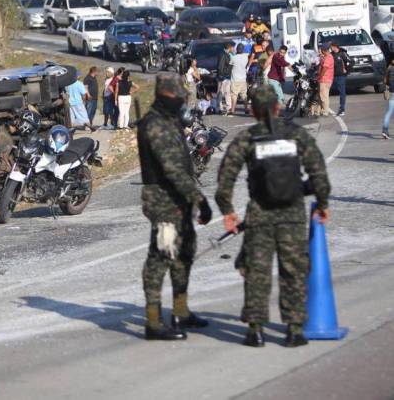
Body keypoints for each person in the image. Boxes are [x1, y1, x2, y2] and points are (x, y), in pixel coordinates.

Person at [215, 85, 331, 347]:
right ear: (278, 107)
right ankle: (294, 329)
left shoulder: (247, 139)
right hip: (292, 212)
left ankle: (255, 330)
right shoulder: (295, 134)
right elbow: (317, 170)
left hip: (259, 213)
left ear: (253, 110)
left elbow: (225, 178)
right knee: (293, 270)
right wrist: (322, 202)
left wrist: (228, 211)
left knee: (257, 271)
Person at [137, 73, 212, 340]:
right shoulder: (155, 125)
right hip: (164, 202)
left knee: (184, 255)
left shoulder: (169, 121)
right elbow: (171, 170)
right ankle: (153, 321)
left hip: (179, 199)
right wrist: (199, 199)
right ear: (166, 95)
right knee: (160, 258)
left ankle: (180, 311)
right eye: (178, 96)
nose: (181, 100)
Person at [330, 42, 351, 117]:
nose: (331, 48)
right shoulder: (331, 54)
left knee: (342, 92)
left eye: (331, 47)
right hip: (332, 76)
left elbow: (350, 62)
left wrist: (346, 71)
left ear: (335, 46)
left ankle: (342, 109)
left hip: (341, 76)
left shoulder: (342, 54)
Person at [231, 43, 250, 115]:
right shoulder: (246, 57)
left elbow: (230, 64)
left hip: (235, 79)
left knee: (234, 95)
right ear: (243, 50)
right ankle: (246, 108)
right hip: (243, 79)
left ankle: (232, 110)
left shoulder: (233, 57)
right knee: (244, 95)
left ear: (237, 49)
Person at [217, 42, 235, 115]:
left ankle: (227, 108)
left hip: (226, 76)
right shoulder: (223, 55)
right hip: (223, 77)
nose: (233, 49)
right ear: (229, 47)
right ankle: (220, 108)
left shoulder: (226, 54)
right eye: (233, 47)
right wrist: (221, 77)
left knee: (226, 92)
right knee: (221, 93)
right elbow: (220, 66)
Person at [317, 43, 335, 117]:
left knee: (324, 96)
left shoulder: (329, 57)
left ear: (324, 50)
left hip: (325, 79)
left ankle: (325, 111)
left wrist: (320, 76)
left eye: (321, 50)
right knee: (322, 95)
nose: (320, 51)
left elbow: (325, 68)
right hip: (325, 79)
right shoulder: (326, 57)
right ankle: (323, 109)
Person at [382, 58, 394, 139]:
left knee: (389, 112)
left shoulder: (390, 67)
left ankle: (384, 131)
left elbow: (385, 81)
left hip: (392, 92)